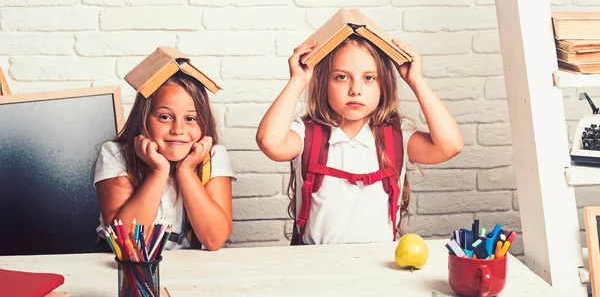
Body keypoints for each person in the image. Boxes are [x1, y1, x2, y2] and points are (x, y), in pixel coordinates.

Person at [256, 35, 463, 245]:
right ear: (323, 83)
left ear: (384, 86)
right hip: (314, 265)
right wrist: (298, 80)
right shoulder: (306, 134)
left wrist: (416, 80)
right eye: (342, 77)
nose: (355, 89)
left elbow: (450, 146)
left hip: (379, 266)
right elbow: (269, 142)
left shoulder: (396, 136)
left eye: (369, 78)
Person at [94, 71, 234, 251]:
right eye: (165, 117)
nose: (178, 129)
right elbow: (125, 244)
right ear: (144, 118)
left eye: (190, 119)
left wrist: (187, 171)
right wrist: (158, 172)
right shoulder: (115, 153)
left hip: (191, 267)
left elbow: (214, 240)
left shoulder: (213, 155)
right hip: (129, 268)